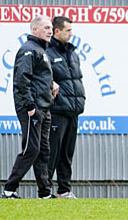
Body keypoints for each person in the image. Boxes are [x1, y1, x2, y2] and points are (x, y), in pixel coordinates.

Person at [1, 15, 59, 199]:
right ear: (35, 30)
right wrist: (30, 106)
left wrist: (52, 84)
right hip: (32, 108)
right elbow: (21, 79)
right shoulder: (28, 50)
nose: (50, 31)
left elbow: (38, 78)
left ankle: (45, 193)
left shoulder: (41, 50)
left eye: (51, 28)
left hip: (44, 107)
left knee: (43, 150)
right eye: (46, 28)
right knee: (31, 149)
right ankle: (9, 189)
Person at [46, 16, 85, 199]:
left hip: (73, 110)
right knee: (52, 152)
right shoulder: (47, 52)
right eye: (68, 30)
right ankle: (45, 191)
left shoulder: (73, 53)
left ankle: (64, 190)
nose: (71, 34)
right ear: (57, 32)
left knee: (67, 153)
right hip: (57, 110)